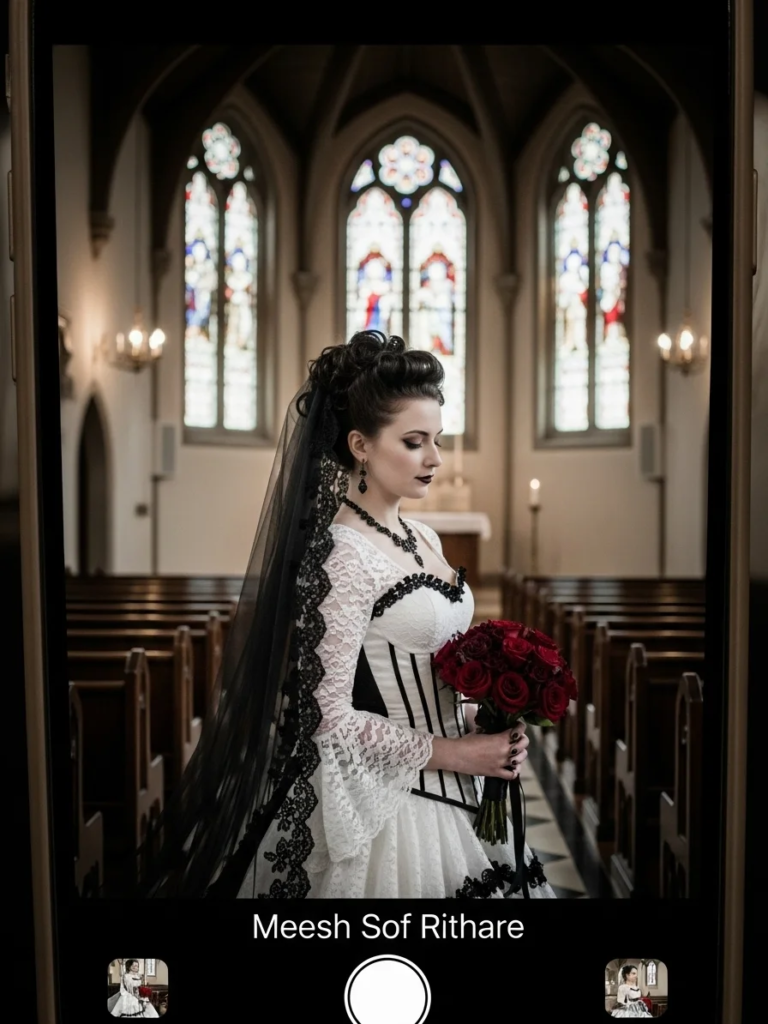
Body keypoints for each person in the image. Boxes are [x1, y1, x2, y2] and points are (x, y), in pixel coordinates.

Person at [139, 330, 555, 899]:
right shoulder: (345, 554)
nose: (434, 458)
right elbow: (327, 717)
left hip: (465, 785)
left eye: (437, 439)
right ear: (360, 444)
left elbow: (428, 666)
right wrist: (454, 752)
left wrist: (486, 717)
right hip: (395, 805)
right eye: (414, 441)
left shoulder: (423, 534)